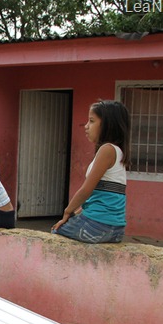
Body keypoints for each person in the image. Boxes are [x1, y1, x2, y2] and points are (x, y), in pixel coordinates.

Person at [51, 100, 130, 243]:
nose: (86, 126)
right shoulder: (118, 152)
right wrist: (78, 212)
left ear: (107, 124)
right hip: (116, 228)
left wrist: (67, 212)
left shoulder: (106, 150)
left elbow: (86, 189)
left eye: (92, 121)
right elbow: (100, 196)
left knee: (56, 231)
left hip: (97, 225)